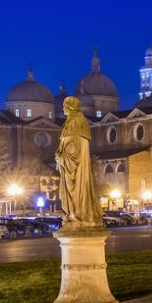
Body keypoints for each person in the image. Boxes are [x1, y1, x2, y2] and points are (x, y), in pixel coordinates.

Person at [56, 96, 102, 227]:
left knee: (74, 190)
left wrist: (61, 157)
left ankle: (77, 214)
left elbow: (73, 150)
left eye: (64, 105)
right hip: (72, 165)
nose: (63, 108)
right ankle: (74, 214)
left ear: (69, 107)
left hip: (74, 168)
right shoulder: (77, 121)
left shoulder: (75, 121)